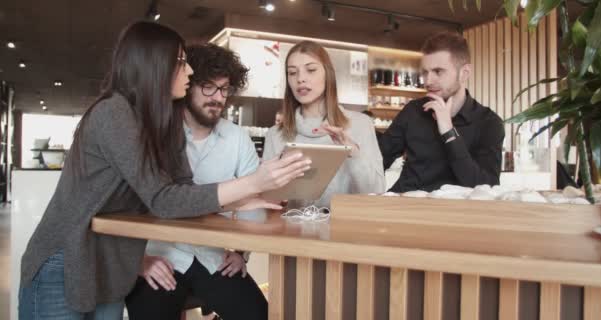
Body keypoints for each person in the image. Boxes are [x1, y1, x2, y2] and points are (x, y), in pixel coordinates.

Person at [18, 22, 309, 320]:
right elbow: (164, 199)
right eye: (182, 63)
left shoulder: (158, 125)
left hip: (113, 264)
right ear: (154, 65)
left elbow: (182, 187)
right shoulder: (114, 113)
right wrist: (252, 183)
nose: (191, 72)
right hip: (67, 260)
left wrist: (243, 199)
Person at [126, 44, 266, 320]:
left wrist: (240, 252)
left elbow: (254, 207)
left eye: (224, 89)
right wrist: (137, 262)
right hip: (157, 257)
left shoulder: (237, 138)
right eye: (208, 87)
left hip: (211, 258)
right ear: (187, 86)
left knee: (260, 314)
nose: (218, 98)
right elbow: (128, 205)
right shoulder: (155, 133)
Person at [263, 40, 385, 208]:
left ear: (328, 74)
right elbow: (267, 199)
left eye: (311, 70)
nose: (300, 79)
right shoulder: (275, 135)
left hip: (347, 229)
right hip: (293, 230)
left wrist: (354, 154)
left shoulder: (361, 125)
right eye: (292, 73)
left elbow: (376, 191)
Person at [379, 32, 505, 192]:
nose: (428, 81)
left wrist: (448, 132)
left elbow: (486, 189)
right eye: (425, 72)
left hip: (451, 213)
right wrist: (355, 151)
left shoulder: (489, 123)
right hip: (404, 207)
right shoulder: (413, 111)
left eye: (438, 71)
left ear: (464, 73)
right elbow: (379, 160)